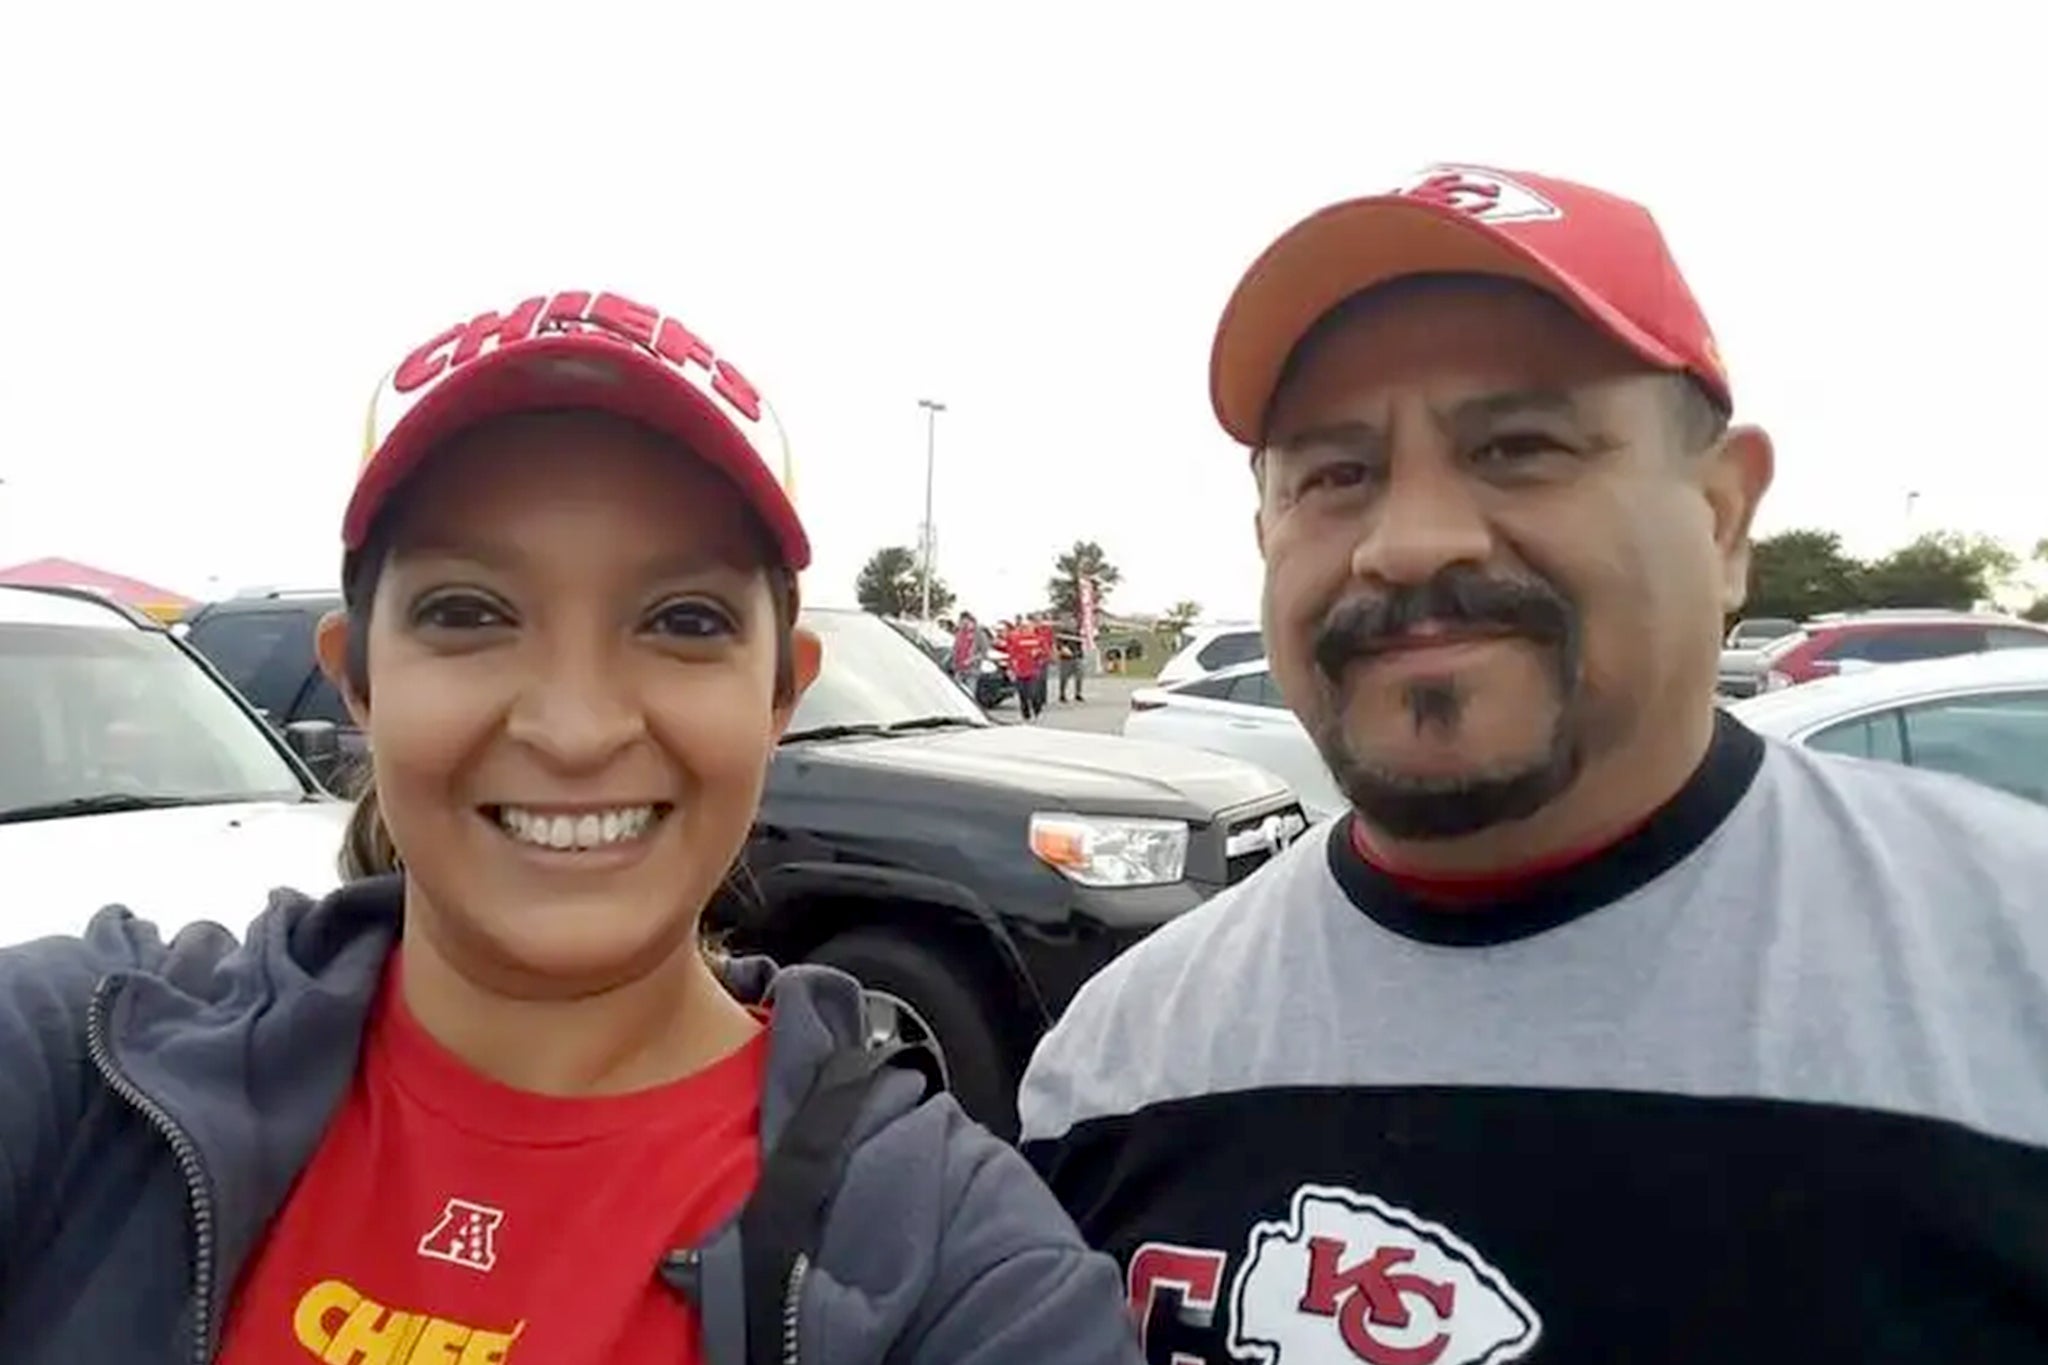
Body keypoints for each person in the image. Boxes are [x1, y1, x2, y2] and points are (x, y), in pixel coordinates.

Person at [0, 288, 1143, 1365]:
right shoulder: (86, 1060)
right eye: (468, 612)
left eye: (683, 619)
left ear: (780, 697)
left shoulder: (950, 1263)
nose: (576, 726)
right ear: (358, 682)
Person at [1018, 166, 2048, 1360]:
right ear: (1265, 538)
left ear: (1720, 520)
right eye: (1335, 475)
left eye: (1516, 446)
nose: (1408, 545)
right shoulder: (1118, 1067)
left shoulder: (2010, 975)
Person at [1007, 615, 1048, 720]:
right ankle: (1026, 715)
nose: (1026, 629)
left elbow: (1046, 653)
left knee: (1033, 693)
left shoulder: (1039, 639)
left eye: (1029, 627)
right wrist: (1011, 669)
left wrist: (1039, 653)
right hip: (1020, 671)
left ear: (1033, 627)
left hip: (1034, 671)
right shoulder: (1017, 640)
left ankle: (1037, 711)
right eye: (1024, 627)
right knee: (1022, 694)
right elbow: (1012, 655)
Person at [1056, 625, 1084, 703]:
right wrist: (1063, 649)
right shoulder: (1062, 632)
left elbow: (1081, 643)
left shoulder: (1078, 632)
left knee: (1079, 676)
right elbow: (1059, 644)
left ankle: (1078, 693)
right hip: (1066, 658)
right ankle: (1062, 694)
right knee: (1064, 677)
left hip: (1077, 656)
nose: (1072, 623)